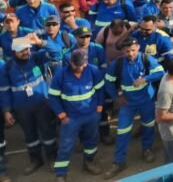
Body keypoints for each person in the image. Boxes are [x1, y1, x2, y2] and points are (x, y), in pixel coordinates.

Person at [104, 37, 164, 178]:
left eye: (132, 50)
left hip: (146, 100)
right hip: (128, 103)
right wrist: (116, 97)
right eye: (127, 51)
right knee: (122, 131)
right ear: (123, 51)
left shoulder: (146, 59)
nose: (130, 54)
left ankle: (147, 149)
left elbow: (161, 72)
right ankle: (119, 162)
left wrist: (145, 79)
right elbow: (108, 82)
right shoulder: (117, 64)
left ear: (138, 48)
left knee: (148, 126)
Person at [48, 49, 106, 182]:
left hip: (91, 115)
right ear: (71, 62)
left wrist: (99, 107)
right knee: (66, 146)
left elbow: (100, 90)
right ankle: (61, 173)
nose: (80, 68)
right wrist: (62, 115)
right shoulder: (61, 75)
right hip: (71, 118)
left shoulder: (93, 70)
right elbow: (52, 97)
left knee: (91, 141)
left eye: (82, 65)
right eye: (76, 65)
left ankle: (89, 162)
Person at [2, 40, 56, 176]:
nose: (26, 52)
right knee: (30, 135)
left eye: (27, 49)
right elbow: (4, 90)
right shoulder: (7, 67)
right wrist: (6, 111)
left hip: (41, 103)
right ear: (14, 52)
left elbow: (56, 52)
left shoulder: (37, 57)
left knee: (47, 131)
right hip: (22, 108)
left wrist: (41, 42)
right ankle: (36, 160)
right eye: (22, 51)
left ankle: (52, 158)